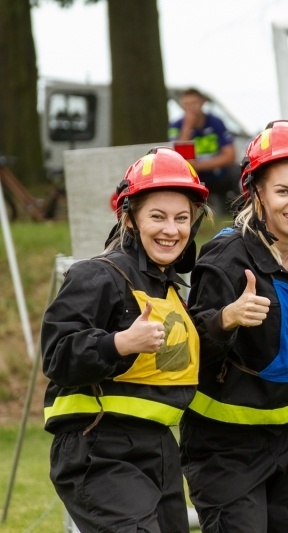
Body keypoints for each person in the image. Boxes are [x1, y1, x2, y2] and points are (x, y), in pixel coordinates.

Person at [41, 147, 210, 532]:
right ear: (130, 218)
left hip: (159, 446)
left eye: (182, 218)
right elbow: (57, 355)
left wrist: (224, 323)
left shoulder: (170, 289)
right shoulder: (95, 275)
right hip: (100, 448)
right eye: (158, 217)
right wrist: (119, 344)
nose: (172, 229)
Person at [179, 120, 288, 533]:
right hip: (223, 446)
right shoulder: (224, 258)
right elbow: (190, 354)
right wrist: (225, 320)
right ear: (257, 193)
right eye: (283, 191)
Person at [168, 87, 237, 215]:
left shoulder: (216, 122)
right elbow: (176, 157)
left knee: (237, 172)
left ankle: (237, 210)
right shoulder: (176, 125)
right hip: (194, 176)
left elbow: (230, 156)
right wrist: (187, 127)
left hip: (217, 172)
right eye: (186, 104)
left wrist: (200, 165)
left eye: (194, 103)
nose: (191, 108)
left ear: (202, 102)